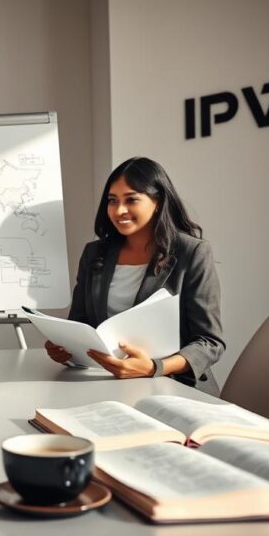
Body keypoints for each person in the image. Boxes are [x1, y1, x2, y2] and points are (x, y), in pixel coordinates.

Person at [44, 157, 224, 393]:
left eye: (131, 200)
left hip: (174, 388)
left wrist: (153, 367)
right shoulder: (94, 253)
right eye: (112, 200)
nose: (119, 210)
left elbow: (209, 343)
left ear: (157, 202)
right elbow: (81, 324)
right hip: (104, 386)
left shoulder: (192, 252)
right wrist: (65, 350)